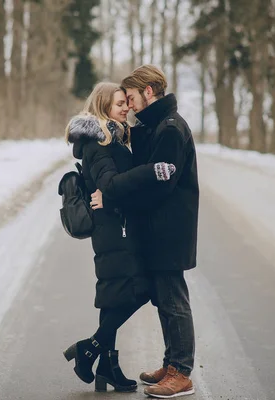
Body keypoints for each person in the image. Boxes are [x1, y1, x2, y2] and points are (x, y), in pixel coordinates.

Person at [90, 65, 199, 399]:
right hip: (158, 229)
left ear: (148, 91)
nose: (131, 104)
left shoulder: (170, 129)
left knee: (174, 300)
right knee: (165, 300)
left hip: (170, 229)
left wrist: (112, 195)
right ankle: (171, 364)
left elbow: (158, 183)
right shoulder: (155, 127)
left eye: (133, 97)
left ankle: (181, 373)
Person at [62, 82, 176, 393]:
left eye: (126, 102)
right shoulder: (99, 143)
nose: (125, 107)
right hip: (114, 229)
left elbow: (113, 187)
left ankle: (107, 366)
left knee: (115, 293)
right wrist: (151, 171)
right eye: (118, 104)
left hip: (117, 224)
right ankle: (90, 349)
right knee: (139, 289)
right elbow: (110, 183)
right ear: (103, 108)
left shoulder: (114, 138)